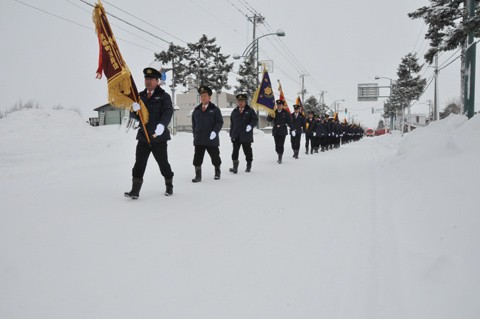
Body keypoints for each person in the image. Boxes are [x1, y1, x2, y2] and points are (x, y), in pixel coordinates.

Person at [124, 67, 174, 199]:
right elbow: (135, 116)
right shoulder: (139, 96)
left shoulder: (164, 96)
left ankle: (169, 183)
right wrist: (134, 110)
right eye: (146, 78)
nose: (148, 81)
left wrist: (162, 125)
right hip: (143, 137)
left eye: (151, 79)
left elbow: (168, 112)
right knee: (139, 163)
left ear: (157, 81)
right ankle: (135, 190)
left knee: (163, 164)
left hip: (158, 137)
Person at [191, 85, 224, 182]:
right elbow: (194, 124)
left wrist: (215, 131)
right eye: (201, 96)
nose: (203, 97)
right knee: (197, 159)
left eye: (205, 95)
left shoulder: (215, 109)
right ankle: (198, 175)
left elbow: (219, 122)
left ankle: (217, 171)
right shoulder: (196, 110)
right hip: (199, 139)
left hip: (211, 139)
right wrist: (195, 134)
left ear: (209, 97)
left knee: (215, 157)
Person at [229, 93, 258, 173]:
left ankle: (248, 165)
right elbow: (232, 124)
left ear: (245, 102)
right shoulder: (234, 111)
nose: (240, 103)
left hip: (246, 135)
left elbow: (255, 120)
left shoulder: (250, 111)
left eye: (242, 101)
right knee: (235, 151)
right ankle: (235, 167)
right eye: (239, 101)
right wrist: (231, 134)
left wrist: (250, 126)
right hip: (236, 135)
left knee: (247, 151)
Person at [267, 99, 292, 164]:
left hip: (283, 130)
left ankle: (280, 157)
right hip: (275, 130)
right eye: (278, 105)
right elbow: (269, 120)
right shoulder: (274, 112)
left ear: (282, 105)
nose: (279, 106)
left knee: (281, 144)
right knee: (276, 145)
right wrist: (269, 114)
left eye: (280, 105)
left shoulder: (286, 113)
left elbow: (290, 122)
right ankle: (279, 153)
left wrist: (293, 129)